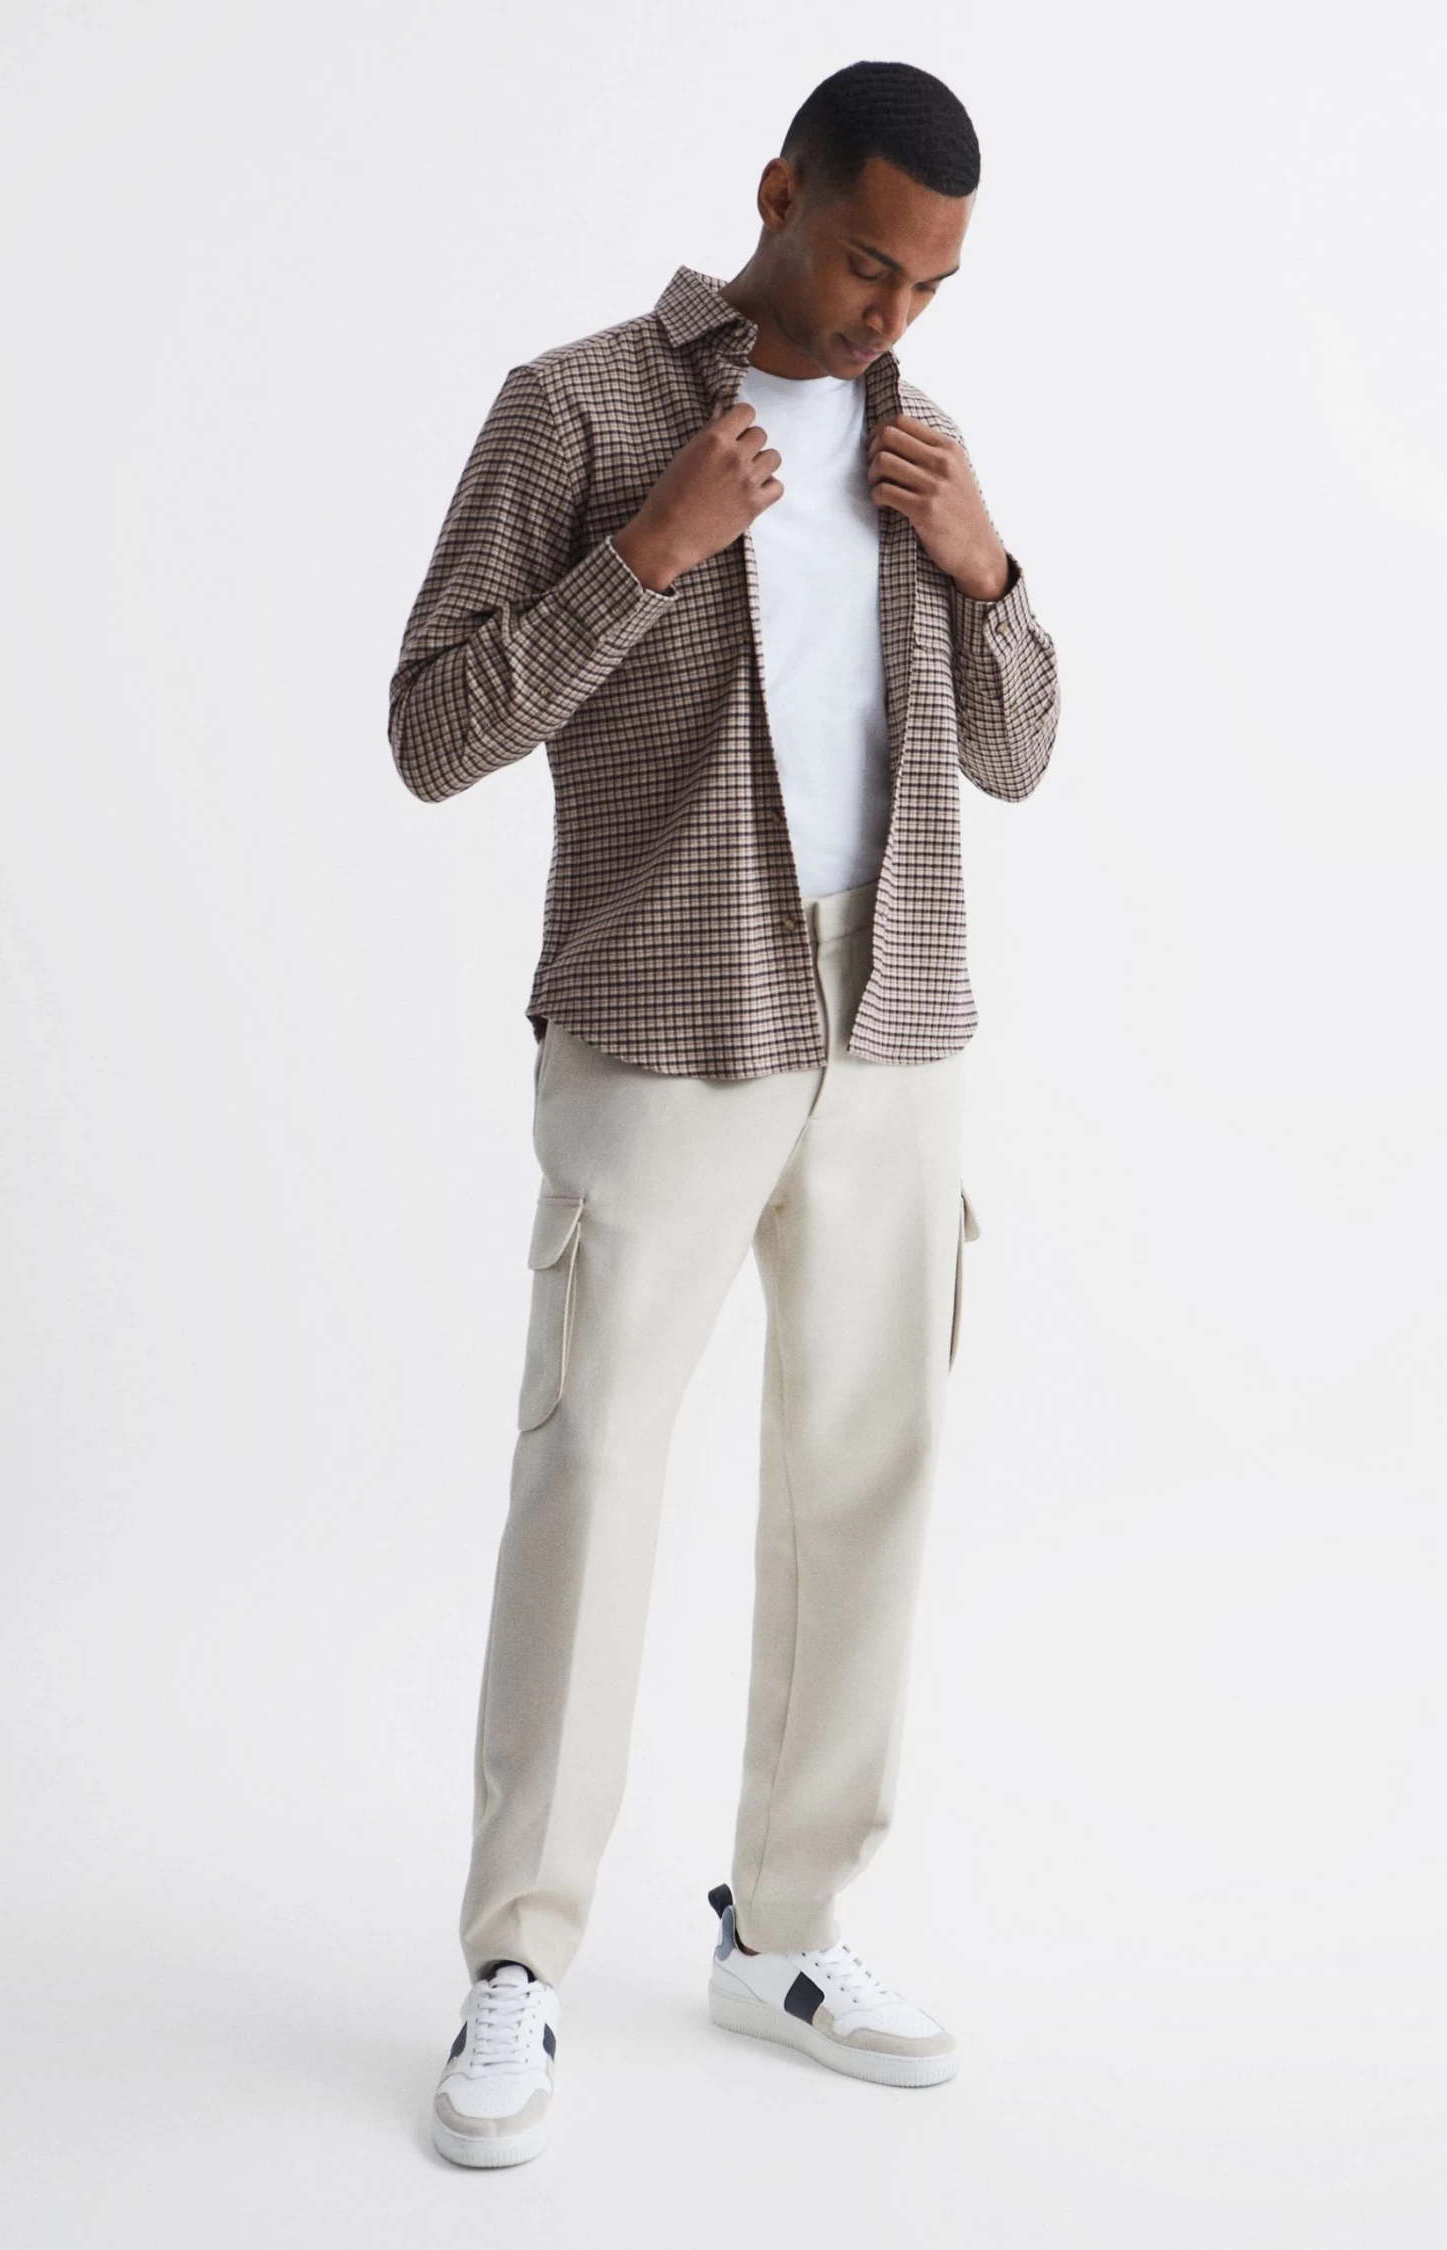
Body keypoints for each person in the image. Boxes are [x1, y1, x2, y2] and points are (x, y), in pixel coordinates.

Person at [387, 58, 1061, 2169]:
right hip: (668, 1025)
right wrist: (648, 556)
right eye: (867, 262)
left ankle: (786, 1931)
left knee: (871, 1475)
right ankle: (517, 1961)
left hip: (896, 1018)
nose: (889, 315)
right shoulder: (580, 411)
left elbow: (1022, 752)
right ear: (779, 192)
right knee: (592, 1468)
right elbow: (431, 730)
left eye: (929, 287)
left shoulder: (922, 441)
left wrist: (988, 566)